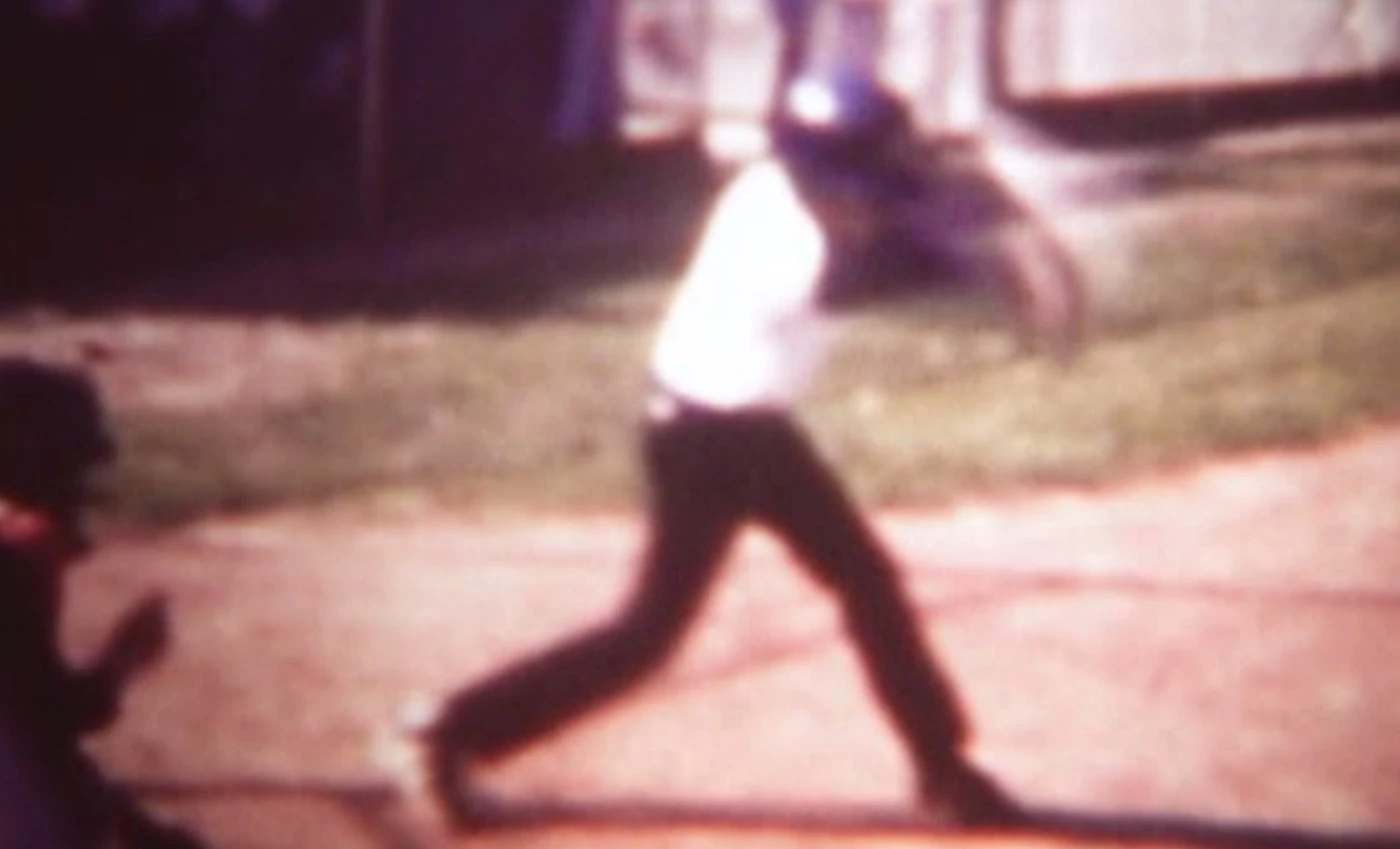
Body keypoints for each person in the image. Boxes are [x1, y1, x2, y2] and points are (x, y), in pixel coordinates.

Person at [422, 69, 1084, 830]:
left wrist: (983, 208)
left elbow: (903, 202)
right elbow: (902, 268)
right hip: (701, 446)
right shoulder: (788, 244)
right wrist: (1001, 260)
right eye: (857, 186)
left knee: (868, 582)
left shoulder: (784, 182)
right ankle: (453, 731)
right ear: (818, 178)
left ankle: (944, 770)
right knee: (645, 637)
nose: (869, 201)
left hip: (755, 433)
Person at [0, 357, 205, 849]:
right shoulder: (14, 559)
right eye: (71, 470)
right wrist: (124, 657)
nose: (81, 489)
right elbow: (54, 718)